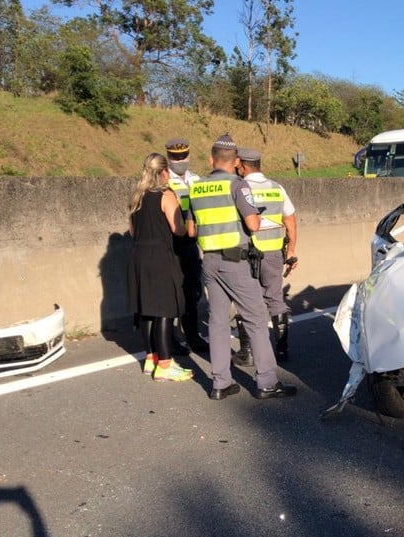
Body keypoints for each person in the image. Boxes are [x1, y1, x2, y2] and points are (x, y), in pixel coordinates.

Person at [187, 133, 297, 400]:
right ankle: (267, 382)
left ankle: (220, 383)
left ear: (211, 160)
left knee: (217, 321)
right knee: (256, 319)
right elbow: (253, 224)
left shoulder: (197, 187)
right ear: (236, 161)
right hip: (235, 261)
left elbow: (190, 231)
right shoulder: (238, 185)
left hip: (209, 261)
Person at [126, 153, 193, 382]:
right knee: (165, 310)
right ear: (164, 172)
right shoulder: (166, 195)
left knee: (147, 310)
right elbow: (178, 229)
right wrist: (188, 221)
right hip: (160, 257)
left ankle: (151, 358)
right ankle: (165, 365)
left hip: (139, 257)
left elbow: (132, 232)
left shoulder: (137, 197)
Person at [233, 147, 298, 363]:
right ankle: (282, 350)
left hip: (246, 254)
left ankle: (248, 352)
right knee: (275, 299)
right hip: (273, 253)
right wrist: (291, 251)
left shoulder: (238, 188)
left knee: (246, 300)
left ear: (242, 167)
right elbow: (290, 221)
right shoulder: (277, 188)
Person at [164, 138, 210, 354]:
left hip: (192, 242)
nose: (180, 160)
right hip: (171, 243)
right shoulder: (164, 180)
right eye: (175, 157)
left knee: (192, 290)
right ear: (168, 157)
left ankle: (192, 335)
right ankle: (170, 337)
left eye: (183, 156)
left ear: (189, 155)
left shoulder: (196, 180)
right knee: (173, 291)